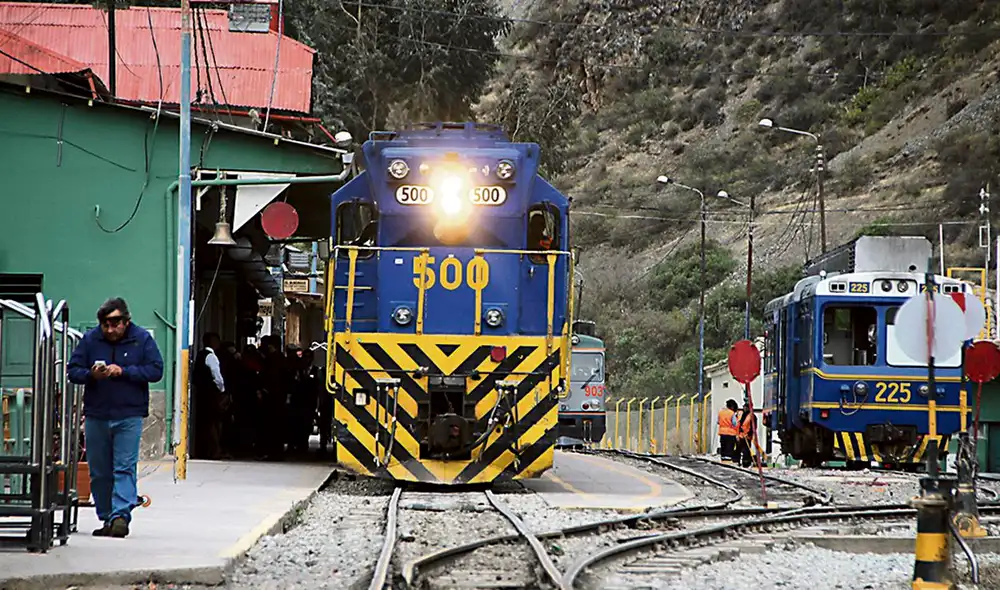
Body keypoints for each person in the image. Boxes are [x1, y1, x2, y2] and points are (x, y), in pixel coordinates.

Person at [67, 297, 163, 538]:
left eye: (115, 323)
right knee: (99, 471)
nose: (110, 329)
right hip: (97, 414)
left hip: (128, 414)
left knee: (124, 467)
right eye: (105, 324)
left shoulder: (142, 339)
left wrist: (124, 371)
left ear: (126, 321)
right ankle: (107, 516)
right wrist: (92, 374)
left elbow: (155, 370)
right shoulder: (91, 340)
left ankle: (120, 516)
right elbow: (73, 371)